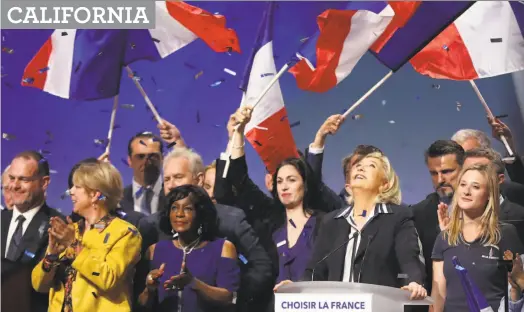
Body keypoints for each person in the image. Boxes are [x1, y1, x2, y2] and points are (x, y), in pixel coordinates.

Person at [138, 147, 274, 312]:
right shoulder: (150, 226)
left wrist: (236, 295)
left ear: (199, 179)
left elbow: (261, 266)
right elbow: (139, 293)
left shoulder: (230, 220)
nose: (172, 184)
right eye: (166, 179)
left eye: (178, 177)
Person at [279, 151, 426, 300]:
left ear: (384, 185)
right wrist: (298, 287)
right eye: (358, 166)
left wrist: (414, 282)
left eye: (371, 166)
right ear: (348, 184)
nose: (360, 169)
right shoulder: (331, 222)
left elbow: (409, 259)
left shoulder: (397, 217)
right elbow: (314, 270)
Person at [223, 106, 327, 287]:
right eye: (279, 181)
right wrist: (238, 134)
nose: (284, 186)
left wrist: (319, 142)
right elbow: (240, 180)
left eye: (291, 180)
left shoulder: (324, 223)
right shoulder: (271, 220)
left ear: (305, 184)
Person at [31, 161, 142, 311]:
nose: (71, 192)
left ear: (95, 194)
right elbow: (39, 285)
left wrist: (74, 244)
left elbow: (108, 278)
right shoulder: (72, 230)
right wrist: (51, 255)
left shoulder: (125, 233)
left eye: (77, 187)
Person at [431, 163, 524, 312]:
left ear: (489, 195)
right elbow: (438, 296)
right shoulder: (444, 237)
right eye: (462, 185)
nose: (466, 191)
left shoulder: (506, 234)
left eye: (475, 187)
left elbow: (518, 284)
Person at [138, 185, 240, 311]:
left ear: (201, 213)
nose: (179, 214)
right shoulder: (154, 251)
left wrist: (193, 283)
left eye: (188, 209)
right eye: (174, 208)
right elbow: (141, 304)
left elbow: (229, 298)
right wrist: (150, 289)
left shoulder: (223, 248)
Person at [1, 151, 63, 312]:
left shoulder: (58, 227)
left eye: (23, 179)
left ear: (44, 183)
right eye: (12, 178)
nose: (14, 186)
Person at [412, 140, 465, 296]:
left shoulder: (484, 208)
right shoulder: (418, 213)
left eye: (447, 171)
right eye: (434, 173)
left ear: (464, 169)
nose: (440, 179)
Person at [463, 148, 524, 243]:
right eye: (466, 172)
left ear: (499, 179)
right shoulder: (453, 218)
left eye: (480, 172)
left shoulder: (519, 217)